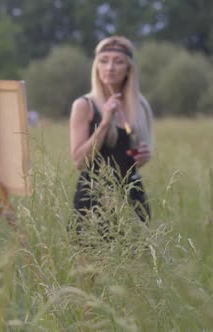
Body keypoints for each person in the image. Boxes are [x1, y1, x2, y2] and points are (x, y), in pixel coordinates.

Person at [69, 36, 153, 244]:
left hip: (132, 195)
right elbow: (79, 161)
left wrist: (143, 156)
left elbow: (134, 153)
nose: (110, 67)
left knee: (134, 269)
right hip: (93, 198)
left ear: (129, 68)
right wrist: (105, 123)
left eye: (118, 61)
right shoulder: (84, 105)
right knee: (91, 273)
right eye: (104, 60)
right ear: (96, 66)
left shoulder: (139, 105)